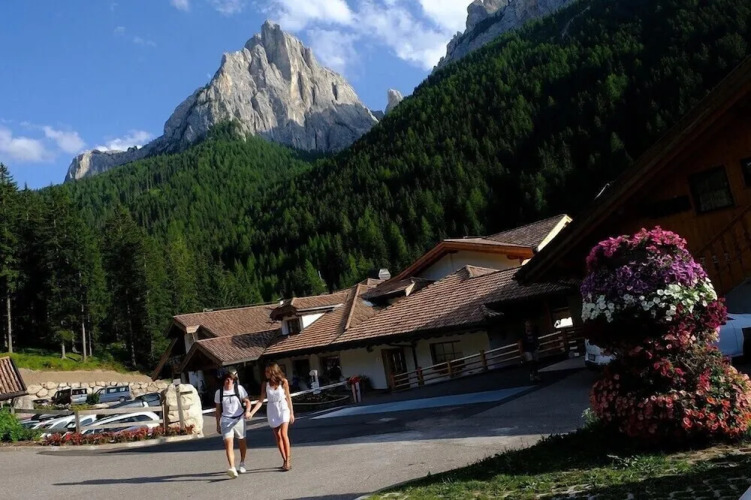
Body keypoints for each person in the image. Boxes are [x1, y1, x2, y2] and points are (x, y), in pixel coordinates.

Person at [249, 363, 295, 471]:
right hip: (272, 409)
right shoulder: (265, 384)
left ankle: (288, 461)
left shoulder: (283, 382)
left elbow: (288, 398)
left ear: (273, 371)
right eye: (265, 371)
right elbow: (261, 400)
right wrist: (252, 412)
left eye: (267, 371)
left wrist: (291, 413)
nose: (265, 373)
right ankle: (284, 459)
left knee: (283, 434)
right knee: (278, 436)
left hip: (283, 407)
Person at [215, 368, 251, 478]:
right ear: (223, 380)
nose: (229, 381)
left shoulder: (239, 389)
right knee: (228, 443)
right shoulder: (219, 392)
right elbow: (218, 410)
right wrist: (218, 424)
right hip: (226, 420)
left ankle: (242, 463)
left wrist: (248, 411)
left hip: (239, 418)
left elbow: (247, 401)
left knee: (242, 442)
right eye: (226, 379)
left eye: (231, 379)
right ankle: (232, 467)